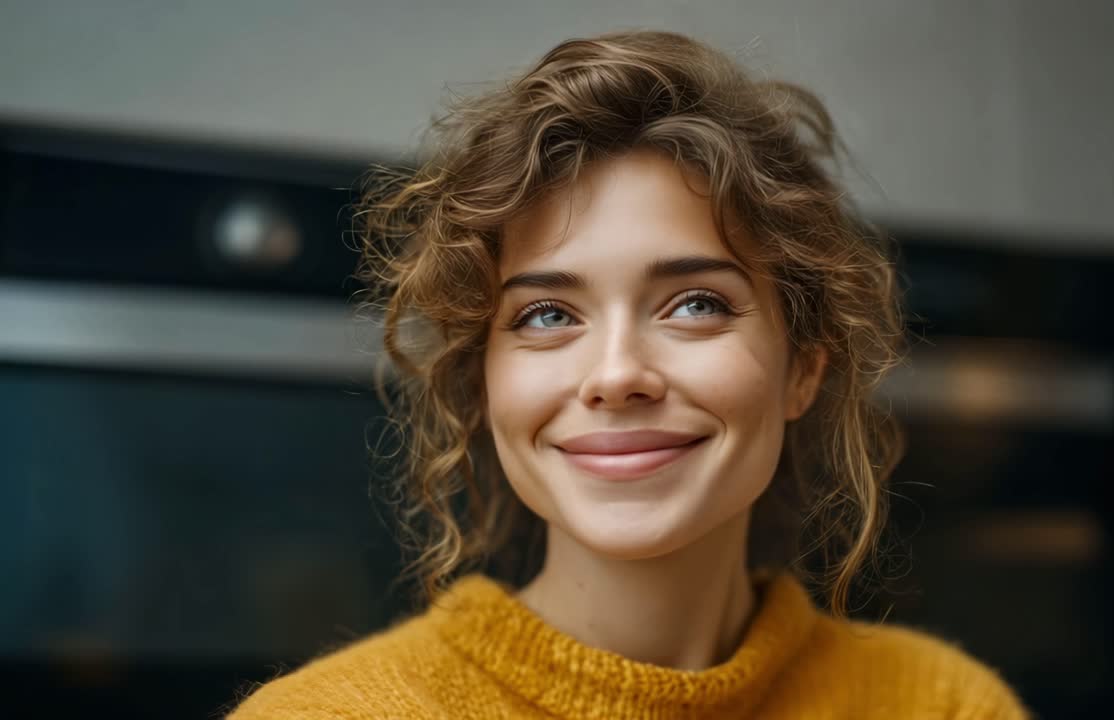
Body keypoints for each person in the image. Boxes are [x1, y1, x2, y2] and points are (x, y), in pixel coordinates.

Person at [229, 29, 1029, 719]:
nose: (616, 375)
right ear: (485, 380)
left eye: (694, 304)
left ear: (803, 368)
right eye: (547, 315)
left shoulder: (943, 705)